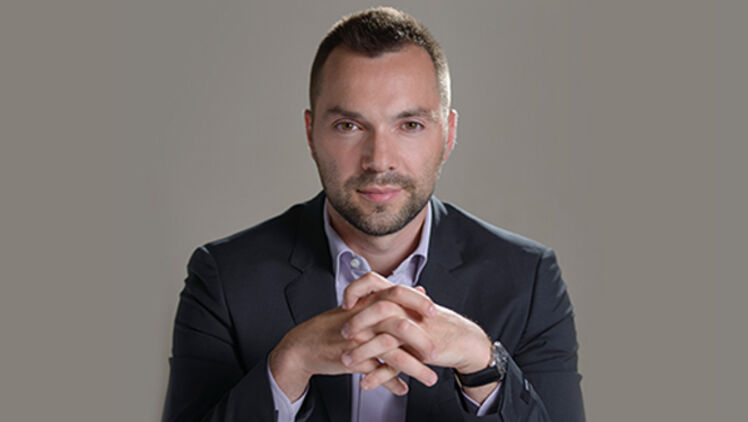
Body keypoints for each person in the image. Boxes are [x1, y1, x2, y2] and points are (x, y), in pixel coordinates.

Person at [162, 7, 584, 422]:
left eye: (410, 125)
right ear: (311, 134)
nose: (379, 160)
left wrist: (484, 365)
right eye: (349, 125)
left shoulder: (528, 279)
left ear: (449, 134)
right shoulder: (223, 277)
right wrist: (289, 365)